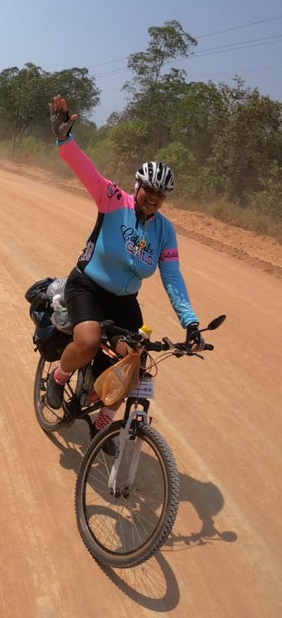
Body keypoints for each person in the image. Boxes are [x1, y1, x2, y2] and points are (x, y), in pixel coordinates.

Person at [45, 95, 204, 444]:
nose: (154, 197)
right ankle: (58, 378)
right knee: (86, 342)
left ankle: (103, 426)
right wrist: (64, 140)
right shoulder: (112, 199)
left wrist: (190, 322)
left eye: (161, 195)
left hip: (124, 300)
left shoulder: (165, 231)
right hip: (86, 286)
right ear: (138, 186)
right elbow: (85, 168)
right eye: (149, 189)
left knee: (136, 364)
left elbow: (172, 277)